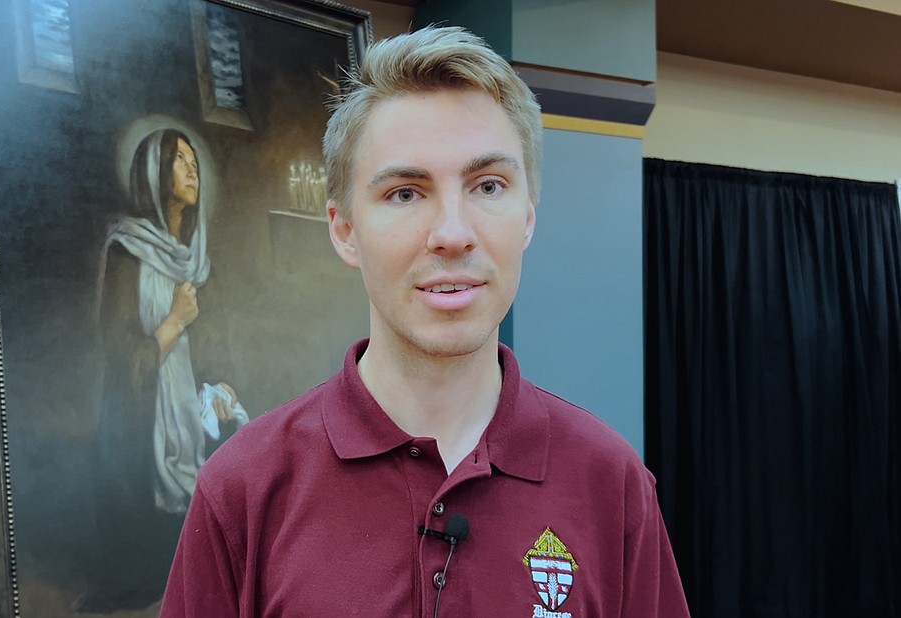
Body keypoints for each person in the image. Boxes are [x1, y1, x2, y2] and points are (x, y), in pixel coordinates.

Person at [160, 27, 690, 617]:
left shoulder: (612, 486)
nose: (453, 234)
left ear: (528, 218)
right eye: (406, 194)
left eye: (488, 186)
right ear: (343, 228)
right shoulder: (242, 490)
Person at [83, 128, 246, 611]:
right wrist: (174, 322)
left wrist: (221, 387)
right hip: (139, 421)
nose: (192, 169)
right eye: (179, 160)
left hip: (193, 412)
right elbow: (121, 358)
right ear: (154, 173)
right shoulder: (127, 250)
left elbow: (216, 348)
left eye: (194, 160)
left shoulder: (198, 262)